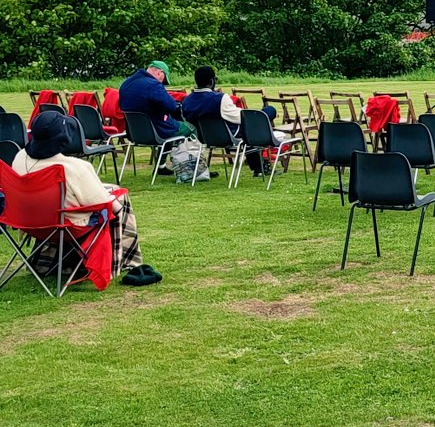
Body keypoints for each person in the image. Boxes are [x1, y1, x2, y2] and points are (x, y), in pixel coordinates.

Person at [10, 111, 162, 287]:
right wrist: (115, 196)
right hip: (68, 225)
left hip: (31, 222)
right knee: (120, 200)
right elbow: (104, 204)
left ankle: (51, 261)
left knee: (108, 191)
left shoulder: (20, 157)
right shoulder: (75, 168)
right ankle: (129, 262)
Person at [181, 66, 280, 177]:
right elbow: (241, 117)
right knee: (266, 113)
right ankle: (260, 167)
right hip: (228, 136)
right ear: (211, 81)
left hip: (202, 137)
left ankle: (260, 167)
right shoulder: (220, 98)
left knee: (252, 128)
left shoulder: (187, 101)